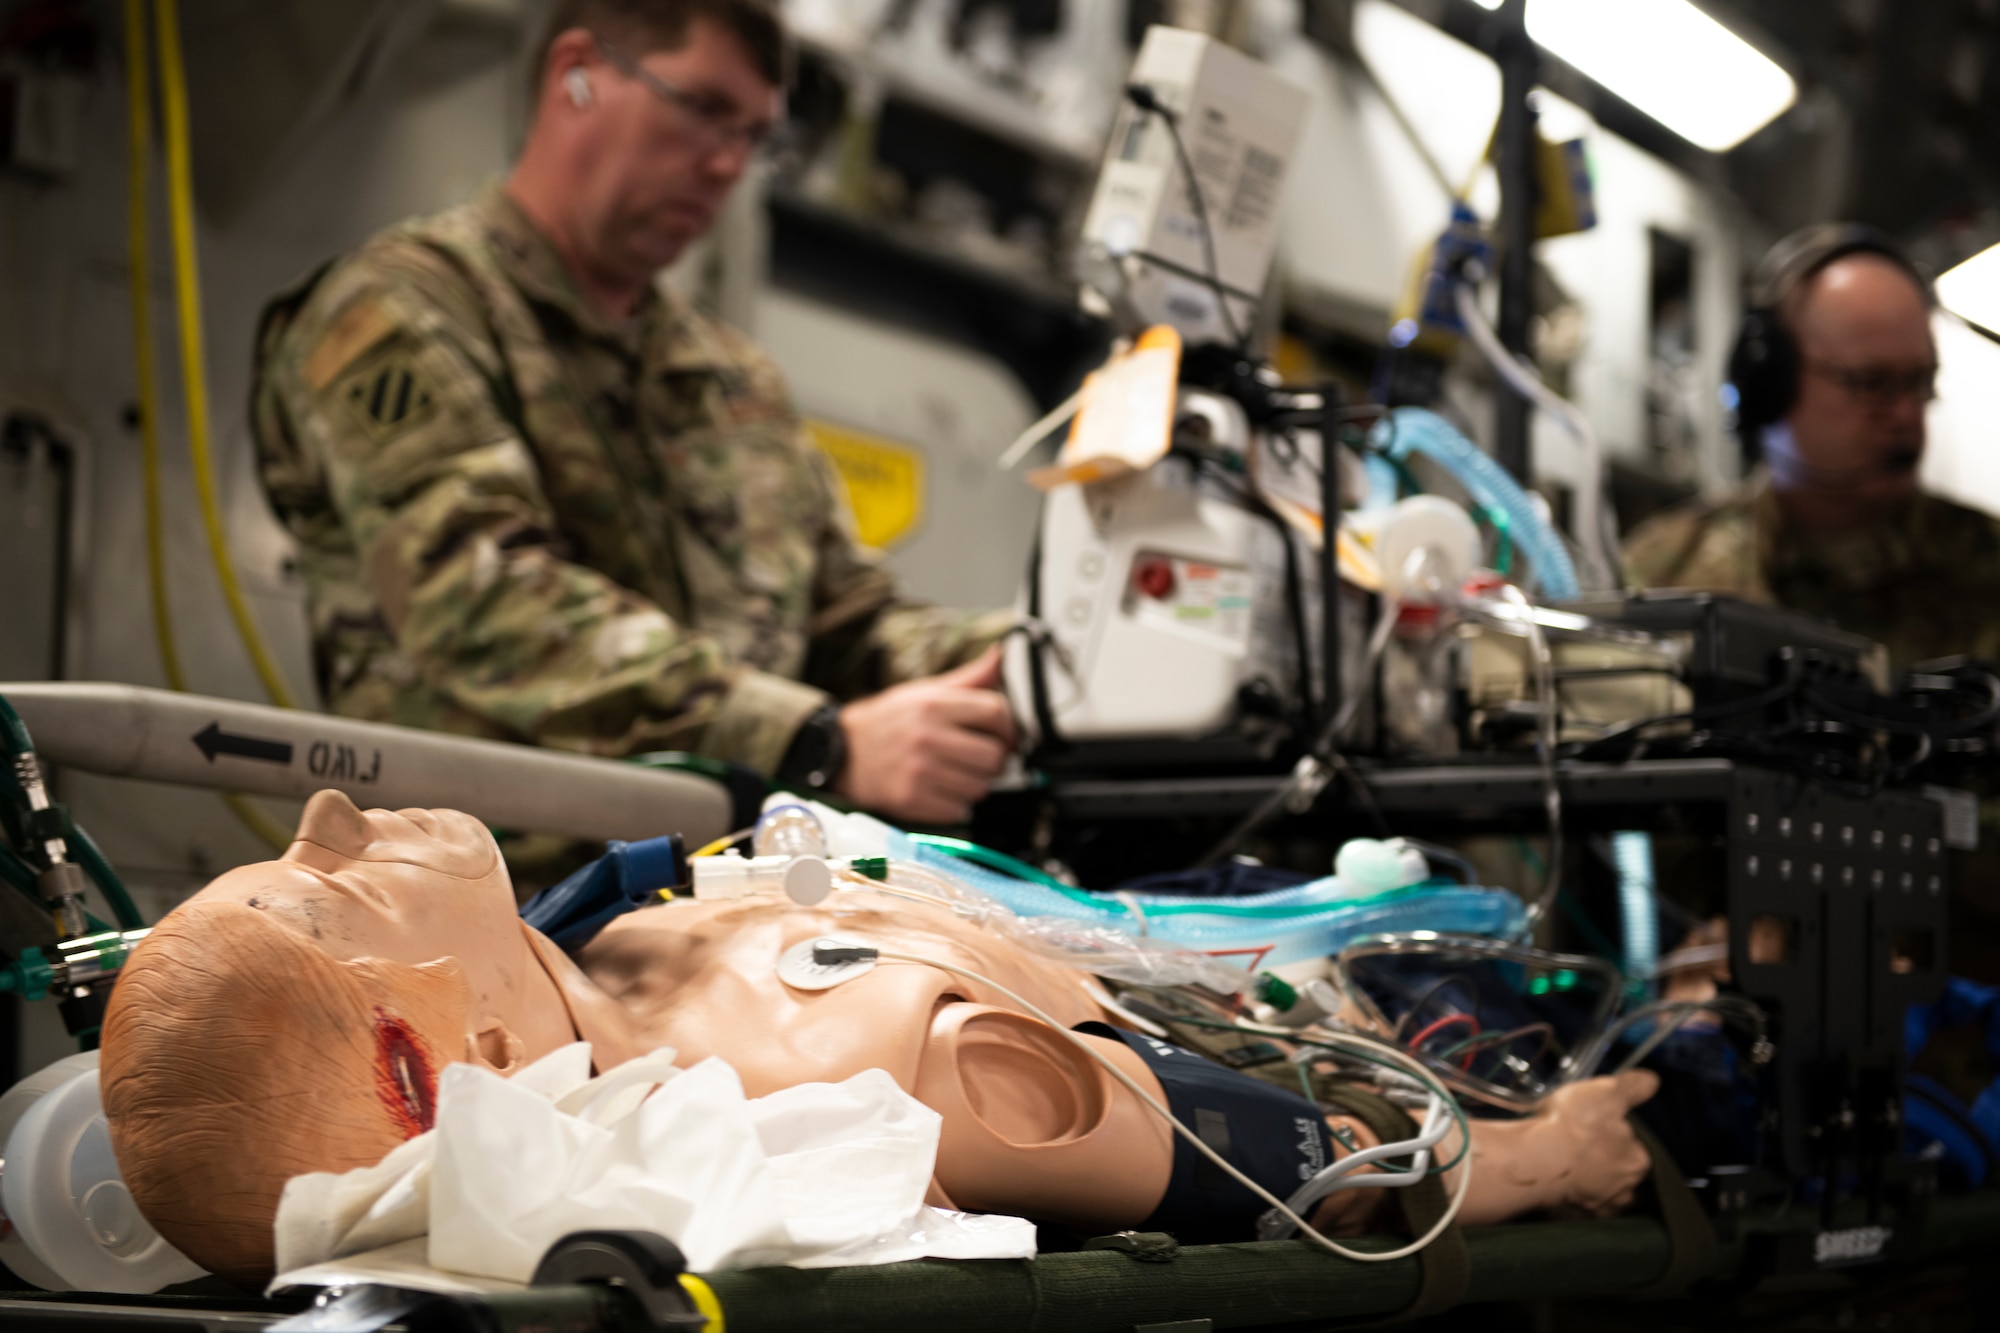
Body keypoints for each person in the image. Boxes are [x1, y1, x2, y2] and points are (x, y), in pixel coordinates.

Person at [101, 790, 1660, 1287]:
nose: (327, 817)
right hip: (1396, 1023)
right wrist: (1532, 1157)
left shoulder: (596, 941)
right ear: (421, 1073)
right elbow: (1270, 1166)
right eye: (323, 896)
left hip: (1222, 925)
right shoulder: (858, 1061)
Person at [249, 0, 1015, 832]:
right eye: (704, 110)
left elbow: (848, 626)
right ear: (577, 73)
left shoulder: (731, 380)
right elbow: (487, 605)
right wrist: (810, 740)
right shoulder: (405, 310)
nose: (729, 163)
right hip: (485, 900)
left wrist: (1039, 663)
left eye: (755, 136)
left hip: (729, 898)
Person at [1623, 223, 2000, 669]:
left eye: (1919, 383)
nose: (1906, 415)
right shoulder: (1664, 576)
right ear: (1770, 382)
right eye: (1869, 383)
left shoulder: (1987, 569)